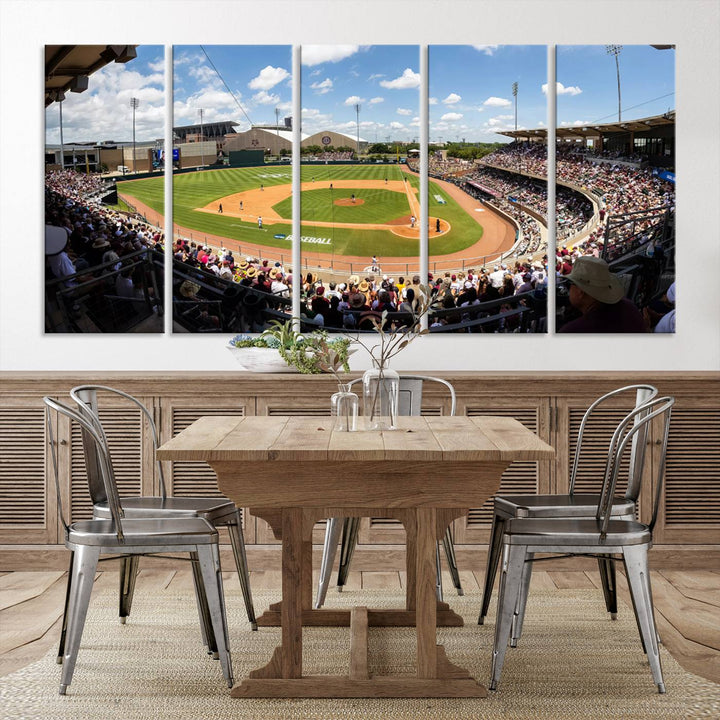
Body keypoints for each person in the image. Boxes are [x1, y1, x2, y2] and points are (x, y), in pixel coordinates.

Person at [559, 256, 646, 333]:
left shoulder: (572, 331)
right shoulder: (629, 306)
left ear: (580, 291)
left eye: (570, 283)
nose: (569, 288)